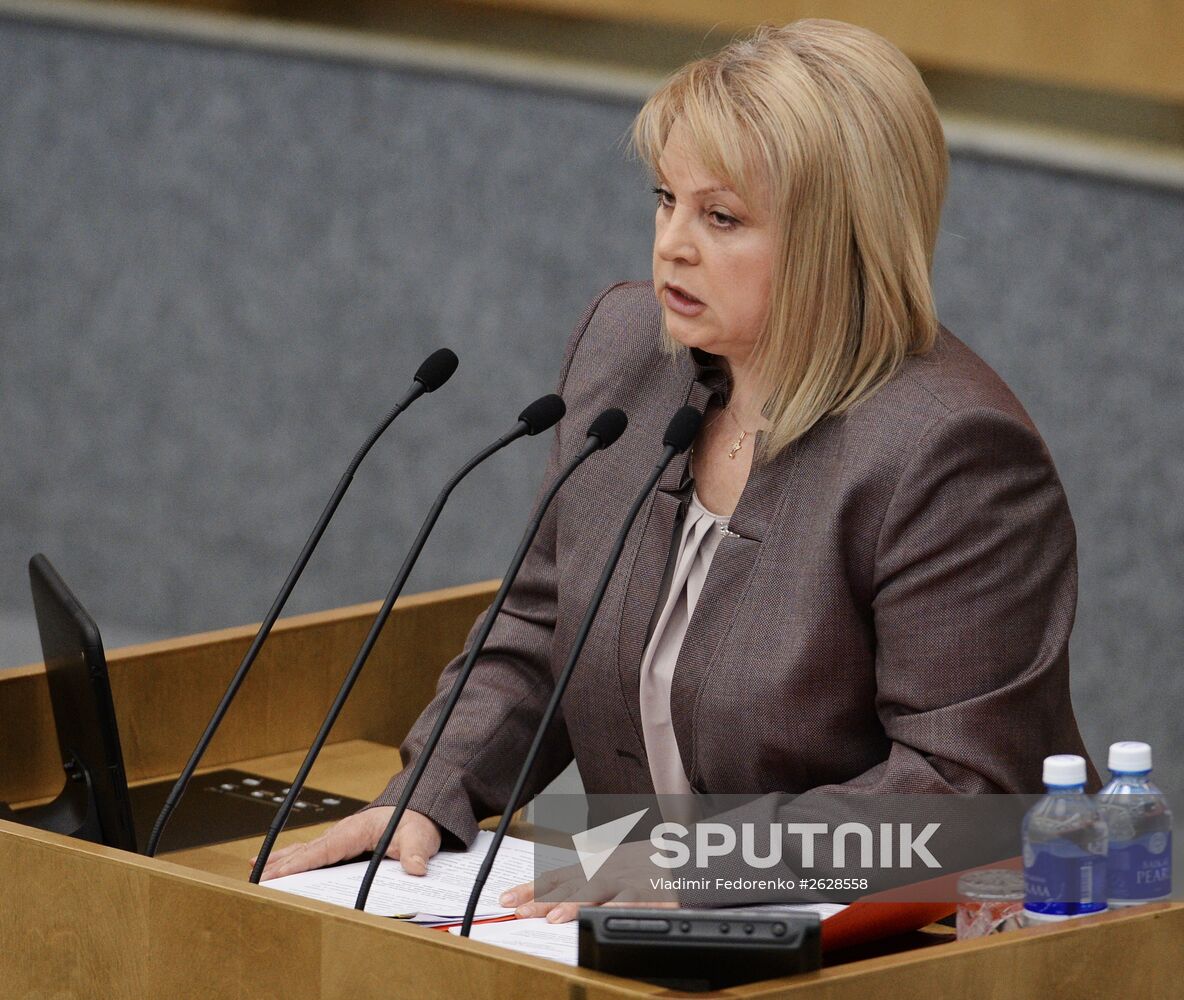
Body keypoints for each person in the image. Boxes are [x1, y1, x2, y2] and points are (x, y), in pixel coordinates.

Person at [258, 19, 1094, 921]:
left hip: (884, 943)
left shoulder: (950, 451)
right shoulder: (631, 356)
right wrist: (429, 793)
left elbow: (970, 791)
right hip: (637, 930)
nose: (672, 245)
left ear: (839, 239)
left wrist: (709, 868)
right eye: (667, 200)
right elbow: (546, 620)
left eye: (722, 217)